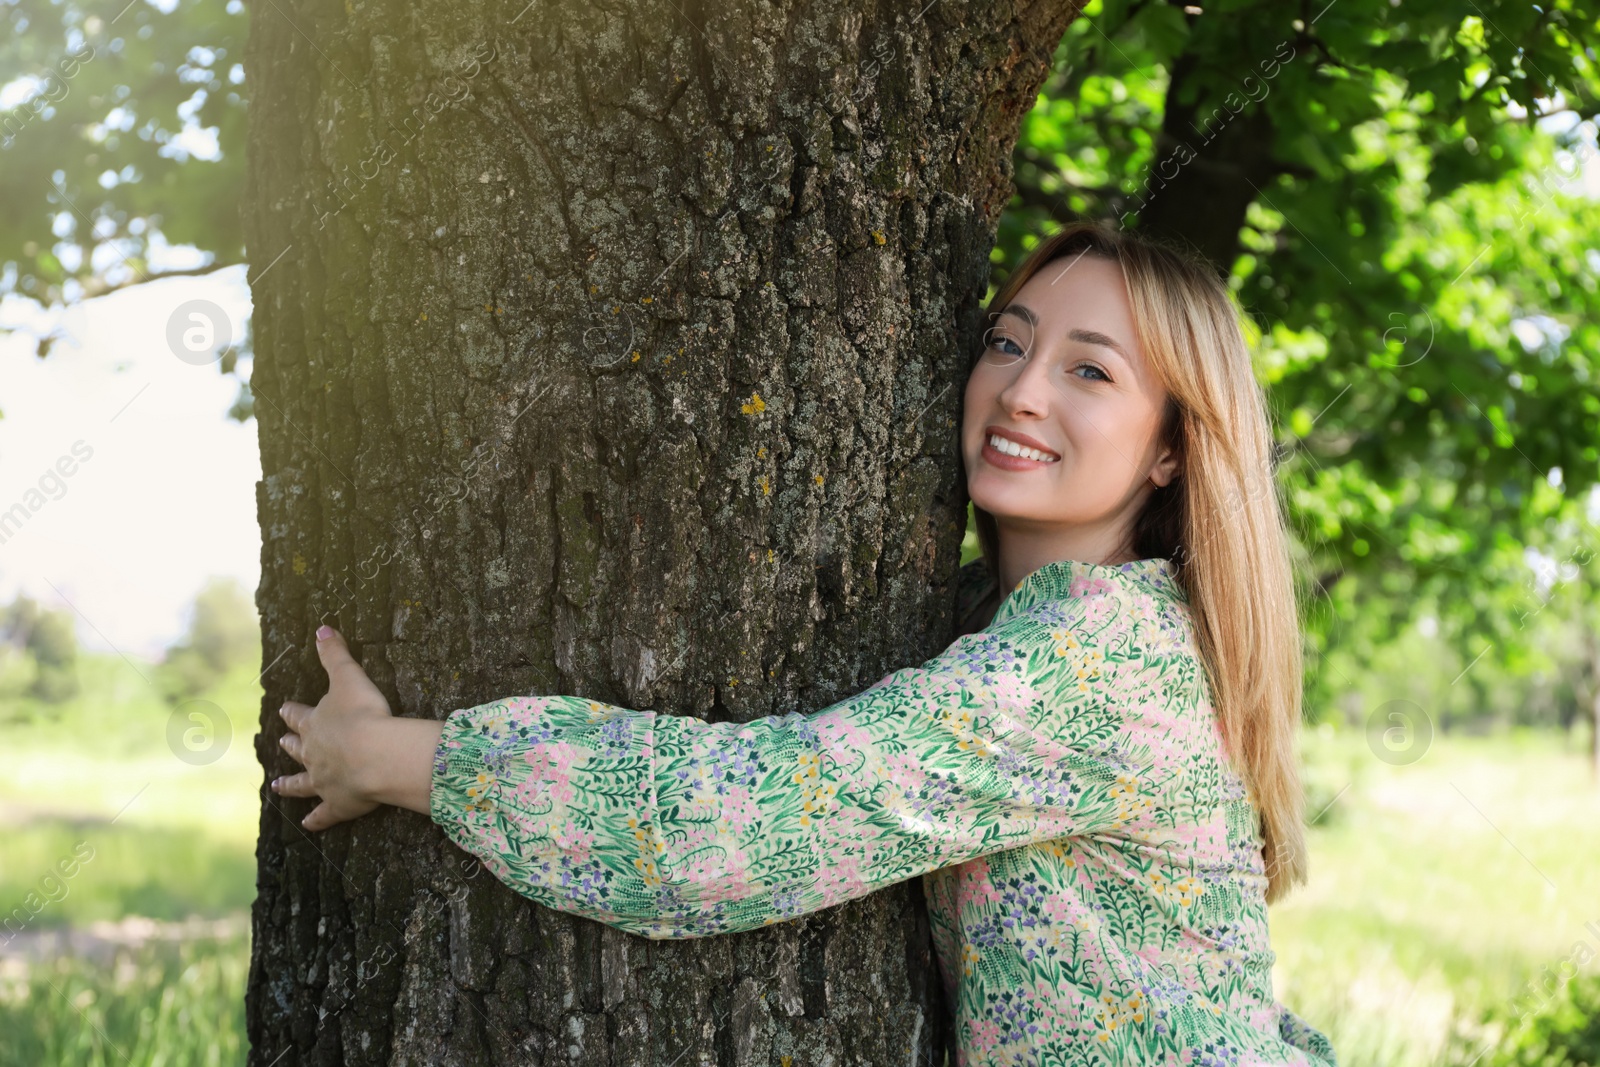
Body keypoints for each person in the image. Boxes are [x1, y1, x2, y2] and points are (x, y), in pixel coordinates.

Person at [271, 221, 1339, 1066]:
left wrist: (396, 757)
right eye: (1006, 342)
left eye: (1089, 371)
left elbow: (742, 831)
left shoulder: (1095, 657)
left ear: (1169, 451)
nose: (1019, 388)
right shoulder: (1014, 620)